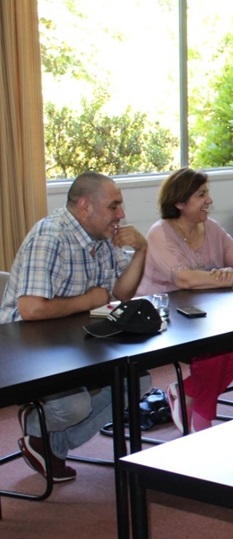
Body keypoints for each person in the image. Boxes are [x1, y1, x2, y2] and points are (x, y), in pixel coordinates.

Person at [0, 172, 149, 483]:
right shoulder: (50, 236)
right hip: (25, 347)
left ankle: (50, 444)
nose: (121, 214)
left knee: (137, 381)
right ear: (85, 206)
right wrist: (89, 300)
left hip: (75, 339)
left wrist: (141, 251)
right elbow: (31, 309)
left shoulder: (102, 237)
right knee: (75, 407)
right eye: (114, 206)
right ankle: (35, 422)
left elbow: (122, 293)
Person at [136, 168, 233, 432]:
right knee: (215, 348)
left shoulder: (211, 227)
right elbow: (183, 280)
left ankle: (185, 392)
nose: (210, 200)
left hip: (205, 311)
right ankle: (202, 416)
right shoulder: (160, 232)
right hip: (164, 315)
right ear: (180, 203)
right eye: (201, 194)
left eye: (207, 193)